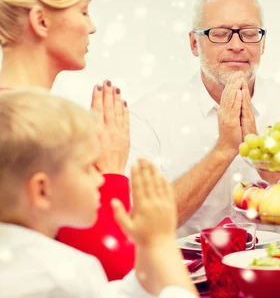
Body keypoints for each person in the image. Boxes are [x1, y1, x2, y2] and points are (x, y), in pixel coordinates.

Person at [129, 0, 280, 236]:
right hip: (184, 273)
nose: (237, 45)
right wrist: (224, 149)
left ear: (263, 43)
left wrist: (265, 162)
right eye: (220, 33)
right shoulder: (151, 115)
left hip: (277, 267)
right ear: (194, 43)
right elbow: (144, 224)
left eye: (248, 33)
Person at [0, 0, 133, 280]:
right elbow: (113, 270)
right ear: (41, 21)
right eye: (84, 10)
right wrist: (111, 172)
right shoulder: (35, 129)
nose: (91, 25)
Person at [0, 89, 197, 297]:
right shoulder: (63, 275)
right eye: (88, 168)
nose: (101, 179)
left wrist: (146, 246)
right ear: (42, 190)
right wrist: (161, 242)